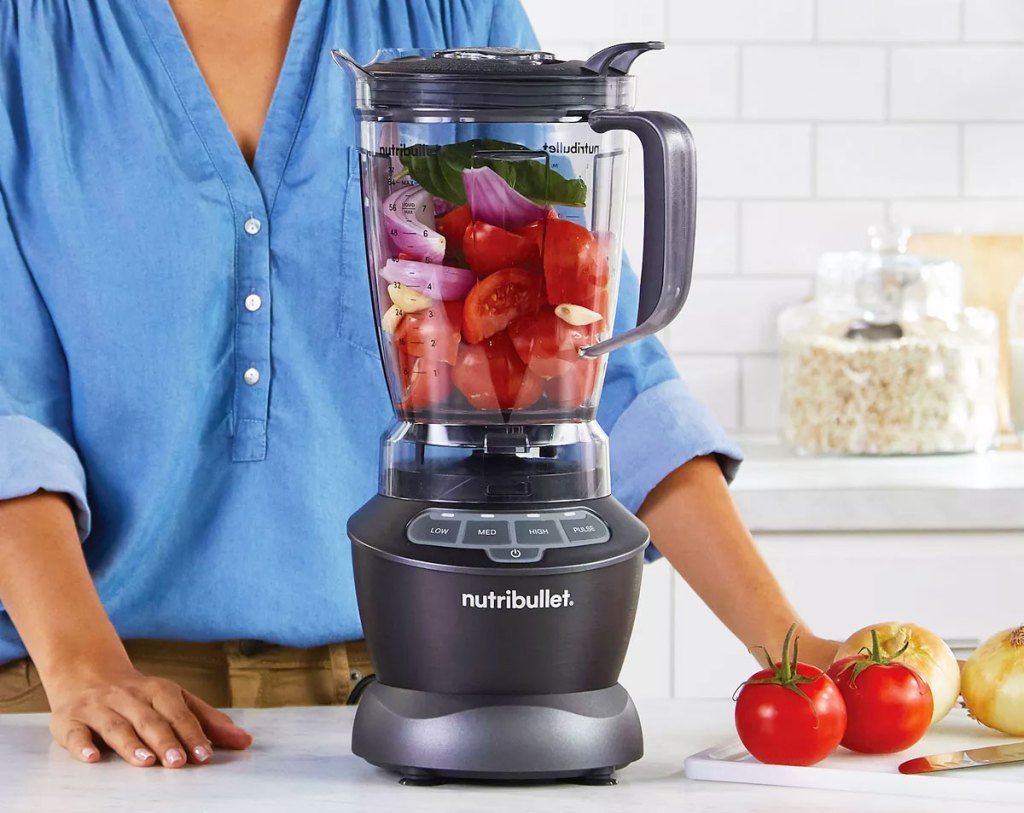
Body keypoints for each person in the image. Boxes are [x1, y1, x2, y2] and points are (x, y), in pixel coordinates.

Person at [0, 0, 838, 769]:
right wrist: (84, 666)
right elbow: (9, 406)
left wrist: (793, 649)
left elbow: (585, 351)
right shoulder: (24, 38)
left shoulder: (449, 13)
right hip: (87, 692)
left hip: (415, 671)